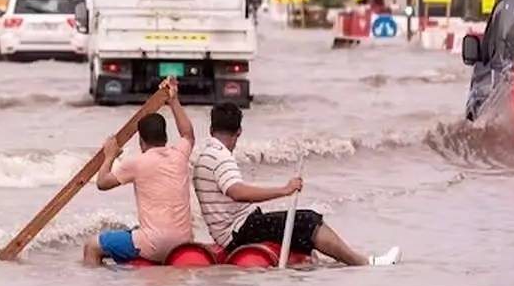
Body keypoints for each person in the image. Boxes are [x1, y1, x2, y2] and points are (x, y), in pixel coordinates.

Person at [192, 102, 401, 266]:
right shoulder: (221, 157)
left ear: (211, 129)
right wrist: (285, 190)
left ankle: (335, 259)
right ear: (239, 132)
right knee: (307, 220)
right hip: (238, 232)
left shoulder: (207, 154)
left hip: (236, 228)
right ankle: (364, 262)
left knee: (296, 225)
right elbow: (236, 192)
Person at [83, 78, 194, 266]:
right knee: (136, 230)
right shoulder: (179, 155)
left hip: (155, 246)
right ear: (165, 137)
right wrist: (174, 100)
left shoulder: (137, 163)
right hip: (183, 243)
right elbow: (188, 134)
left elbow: (102, 183)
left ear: (141, 141)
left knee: (92, 246)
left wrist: (110, 156)